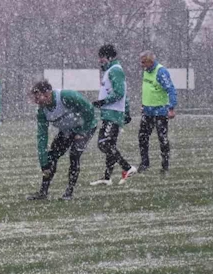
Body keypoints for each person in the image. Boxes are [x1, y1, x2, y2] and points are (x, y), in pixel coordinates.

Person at [26, 80, 97, 201]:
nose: (36, 102)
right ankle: (43, 192)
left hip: (86, 127)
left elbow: (89, 109)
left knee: (74, 154)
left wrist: (82, 131)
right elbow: (42, 136)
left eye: (38, 98)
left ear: (47, 94)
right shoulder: (42, 111)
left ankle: (69, 192)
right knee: (52, 156)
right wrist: (44, 163)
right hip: (67, 130)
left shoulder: (66, 96)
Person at [90, 44, 137, 186]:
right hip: (111, 113)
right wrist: (127, 111)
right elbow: (125, 95)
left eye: (102, 57)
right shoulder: (111, 70)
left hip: (113, 114)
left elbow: (119, 93)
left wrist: (102, 102)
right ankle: (107, 177)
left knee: (103, 144)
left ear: (109, 57)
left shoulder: (115, 70)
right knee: (110, 145)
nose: (100, 60)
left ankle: (128, 168)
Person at [138, 51, 177, 175]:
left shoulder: (161, 72)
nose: (141, 64)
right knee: (142, 137)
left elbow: (170, 89)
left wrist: (171, 108)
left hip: (160, 111)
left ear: (150, 61)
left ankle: (165, 165)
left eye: (144, 62)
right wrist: (144, 104)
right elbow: (148, 89)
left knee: (162, 139)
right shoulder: (146, 71)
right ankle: (145, 163)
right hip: (147, 111)